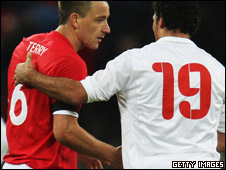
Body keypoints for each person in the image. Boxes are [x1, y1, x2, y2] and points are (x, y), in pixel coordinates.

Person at [14, 1, 225, 169]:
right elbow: (222, 138)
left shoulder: (134, 61)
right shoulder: (218, 71)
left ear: (159, 21)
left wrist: (31, 77)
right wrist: (186, 149)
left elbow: (78, 93)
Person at [3, 1, 123, 169]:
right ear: (75, 20)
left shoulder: (26, 45)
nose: (107, 28)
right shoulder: (70, 61)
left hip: (13, 164)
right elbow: (64, 131)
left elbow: (38, 119)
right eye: (99, 20)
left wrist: (80, 150)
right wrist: (113, 155)